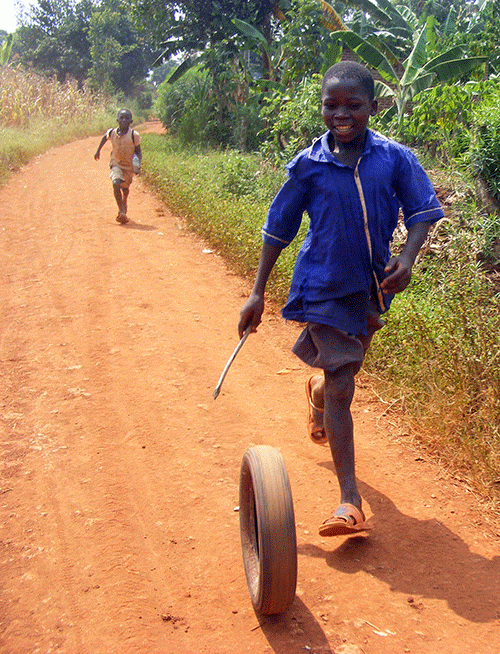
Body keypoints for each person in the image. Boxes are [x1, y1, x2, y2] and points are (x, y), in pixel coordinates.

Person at [238, 61, 444, 537]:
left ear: (373, 106)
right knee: (342, 384)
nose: (342, 114)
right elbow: (278, 229)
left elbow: (421, 211)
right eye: (332, 105)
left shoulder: (394, 158)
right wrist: (256, 291)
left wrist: (408, 259)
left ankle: (317, 395)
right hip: (323, 284)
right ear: (323, 108)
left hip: (372, 286)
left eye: (354, 105)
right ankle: (349, 500)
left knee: (342, 375)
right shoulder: (309, 165)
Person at [94, 109, 142, 224]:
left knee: (125, 188)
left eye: (126, 118)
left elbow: (138, 151)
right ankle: (121, 211)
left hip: (128, 166)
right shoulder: (112, 132)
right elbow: (104, 138)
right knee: (116, 183)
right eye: (121, 118)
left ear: (131, 121)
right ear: (117, 120)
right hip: (116, 163)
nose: (124, 120)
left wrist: (138, 163)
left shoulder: (133, 135)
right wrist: (98, 151)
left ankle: (124, 201)